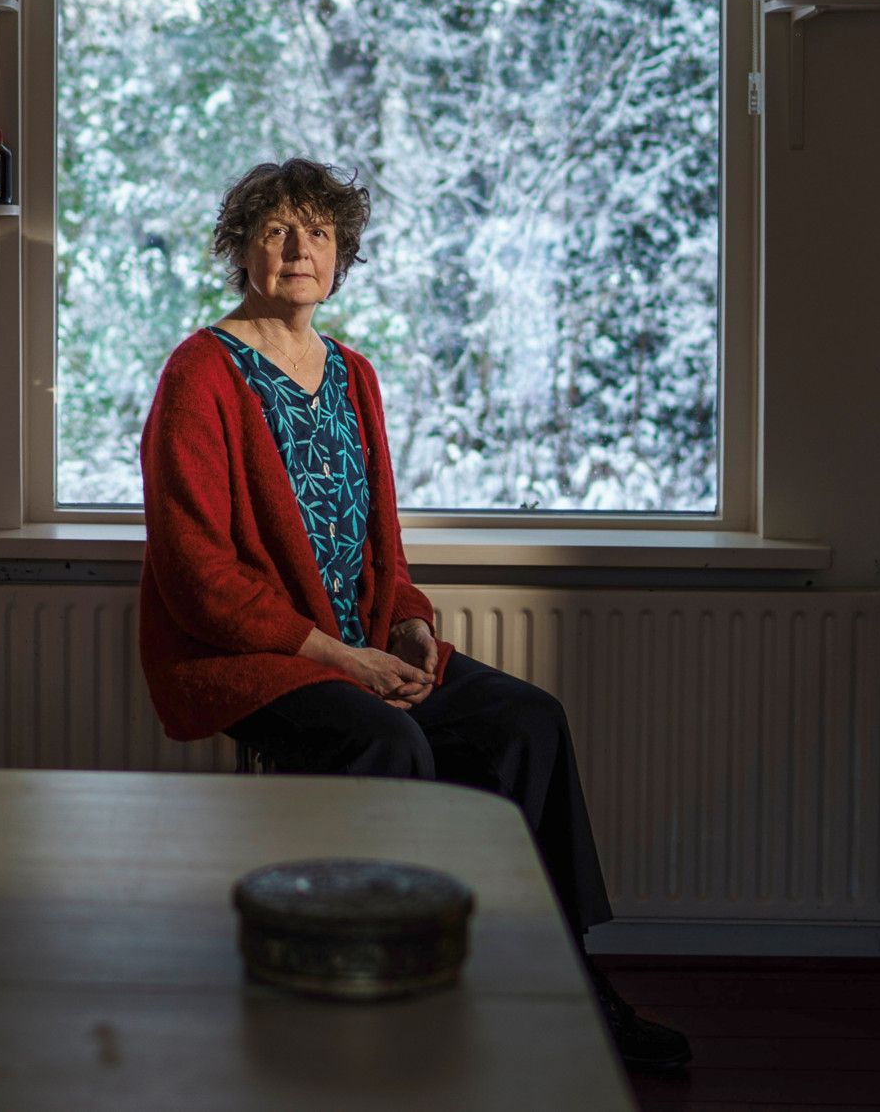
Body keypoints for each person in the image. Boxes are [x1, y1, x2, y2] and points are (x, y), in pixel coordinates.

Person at [138, 157, 690, 1073]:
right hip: (256, 657)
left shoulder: (353, 373)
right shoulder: (200, 372)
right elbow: (197, 577)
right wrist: (339, 657)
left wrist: (409, 628)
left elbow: (382, 549)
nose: (299, 248)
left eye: (319, 232)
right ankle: (382, 994)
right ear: (241, 249)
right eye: (276, 230)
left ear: (342, 255)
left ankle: (562, 980)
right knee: (388, 743)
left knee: (528, 722)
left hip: (360, 646)